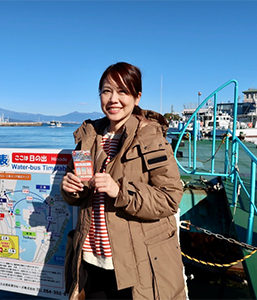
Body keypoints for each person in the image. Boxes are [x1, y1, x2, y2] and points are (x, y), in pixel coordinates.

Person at [61, 62, 185, 300]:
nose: (113, 99)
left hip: (136, 265)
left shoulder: (151, 137)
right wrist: (70, 189)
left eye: (123, 92)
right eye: (107, 91)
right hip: (90, 261)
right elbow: (76, 194)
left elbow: (170, 198)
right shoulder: (88, 137)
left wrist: (120, 192)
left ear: (137, 97)